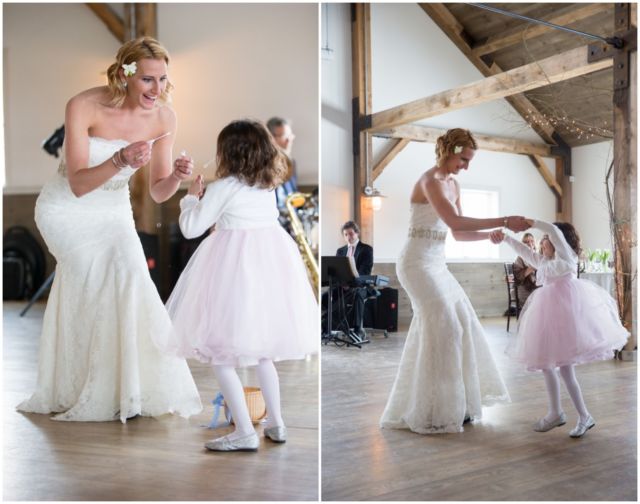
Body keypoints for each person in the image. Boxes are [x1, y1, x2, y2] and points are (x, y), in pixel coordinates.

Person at [17, 37, 202, 422]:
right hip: (67, 210)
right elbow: (78, 184)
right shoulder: (83, 105)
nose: (157, 90)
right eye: (148, 80)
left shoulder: (165, 118)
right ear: (124, 75)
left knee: (133, 279)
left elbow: (157, 188)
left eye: (163, 80)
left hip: (115, 212)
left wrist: (178, 180)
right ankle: (85, 387)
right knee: (93, 287)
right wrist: (121, 158)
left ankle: (130, 390)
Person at [157, 120, 317, 452]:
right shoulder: (266, 185)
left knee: (221, 355)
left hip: (232, 270)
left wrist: (190, 199)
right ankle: (276, 423)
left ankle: (244, 430)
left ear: (227, 153)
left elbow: (191, 228)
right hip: (268, 267)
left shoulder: (222, 188)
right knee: (263, 354)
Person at [380, 128, 530, 434]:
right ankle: (434, 409)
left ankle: (454, 404)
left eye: (469, 160)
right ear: (449, 151)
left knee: (461, 322)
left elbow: (459, 233)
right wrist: (503, 220)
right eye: (464, 159)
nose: (466, 166)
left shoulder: (455, 185)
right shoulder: (430, 181)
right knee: (445, 325)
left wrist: (490, 236)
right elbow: (453, 221)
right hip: (416, 263)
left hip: (437, 263)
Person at [490, 221, 628, 437]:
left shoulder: (566, 256)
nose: (543, 240)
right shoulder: (544, 261)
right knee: (550, 365)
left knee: (564, 369)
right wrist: (505, 237)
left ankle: (577, 415)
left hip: (566, 317)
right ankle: (560, 412)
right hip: (549, 316)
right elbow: (523, 251)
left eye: (545, 238)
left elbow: (554, 231)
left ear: (558, 241)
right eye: (543, 237)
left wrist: (531, 222)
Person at [335, 221, 373, 336]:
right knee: (326, 296)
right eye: (345, 234)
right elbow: (337, 271)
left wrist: (350, 283)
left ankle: (357, 330)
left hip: (361, 286)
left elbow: (364, 271)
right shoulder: (340, 251)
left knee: (357, 294)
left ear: (357, 233)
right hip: (343, 286)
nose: (348, 237)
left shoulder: (366, 249)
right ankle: (330, 327)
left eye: (351, 234)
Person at [266, 117, 297, 209]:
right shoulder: (263, 165)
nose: (289, 140)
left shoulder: (291, 162)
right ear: (271, 138)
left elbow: (293, 193)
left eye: (290, 135)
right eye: (285, 135)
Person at [513, 232, 539, 305]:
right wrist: (531, 268)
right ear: (522, 244)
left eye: (531, 241)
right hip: (526, 290)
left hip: (538, 287)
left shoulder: (538, 256)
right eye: (526, 242)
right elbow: (517, 278)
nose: (530, 243)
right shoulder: (519, 258)